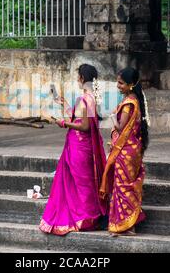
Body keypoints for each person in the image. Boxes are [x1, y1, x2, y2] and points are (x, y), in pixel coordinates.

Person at [39, 64, 107, 235]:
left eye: (78, 77)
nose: (77, 80)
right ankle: (88, 217)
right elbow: (78, 117)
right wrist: (63, 102)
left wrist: (62, 123)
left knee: (81, 183)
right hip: (83, 146)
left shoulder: (84, 99)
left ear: (82, 78)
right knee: (83, 182)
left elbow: (83, 126)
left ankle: (84, 218)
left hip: (79, 146)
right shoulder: (90, 97)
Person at [99, 67, 150, 236]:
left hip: (125, 151)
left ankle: (126, 226)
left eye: (121, 83)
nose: (117, 86)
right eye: (118, 82)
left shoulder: (128, 104)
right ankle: (126, 224)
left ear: (131, 84)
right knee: (127, 186)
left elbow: (121, 128)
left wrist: (113, 119)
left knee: (122, 187)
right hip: (132, 150)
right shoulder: (135, 99)